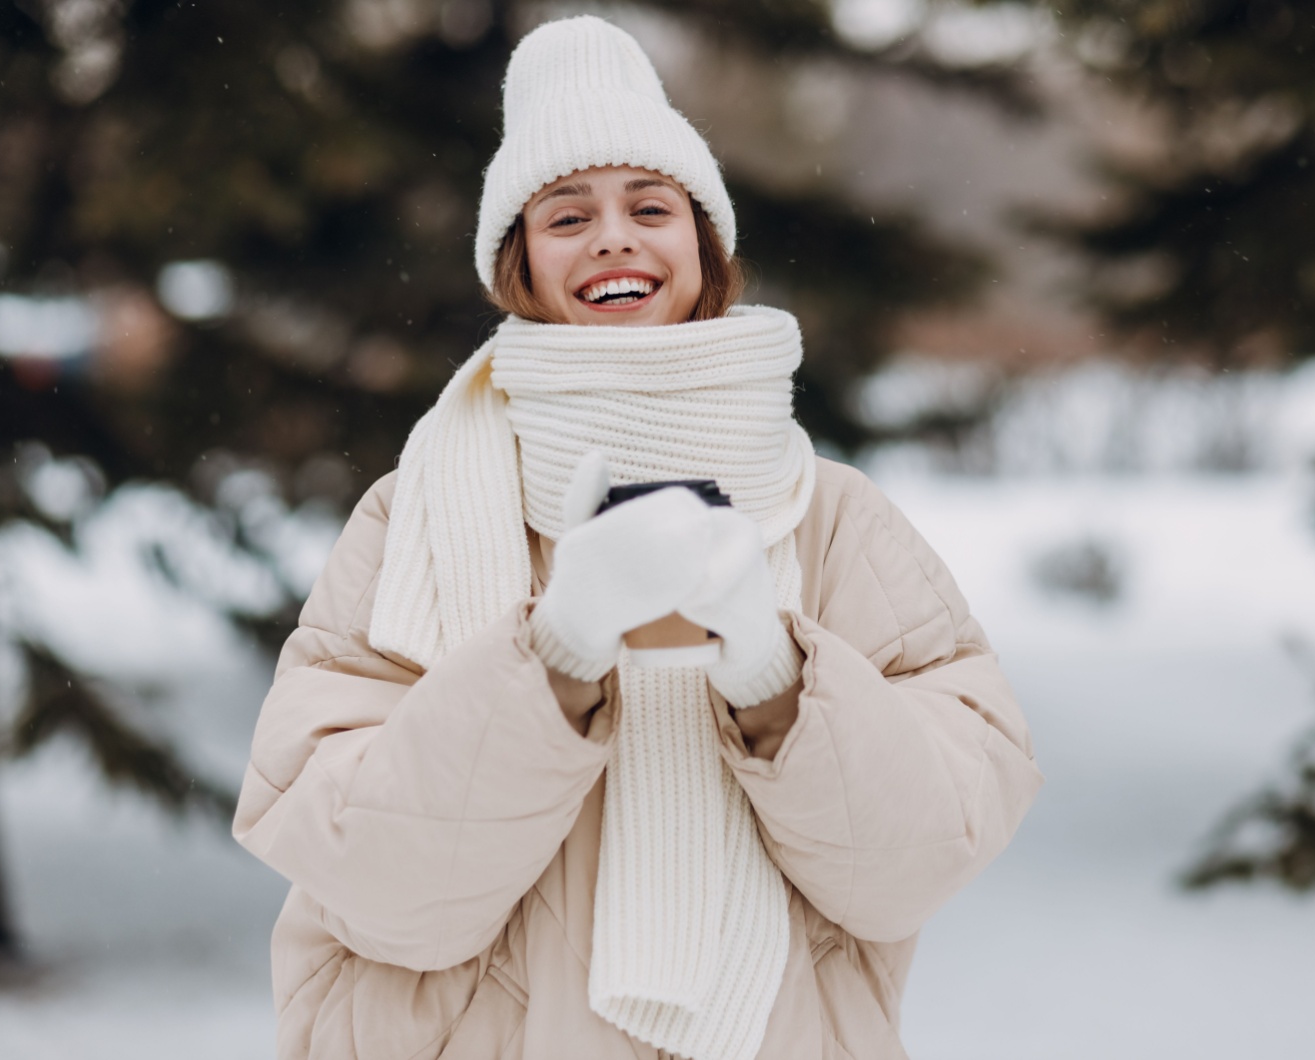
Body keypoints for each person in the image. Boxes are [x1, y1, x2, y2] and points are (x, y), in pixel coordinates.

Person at [232, 15, 1043, 1060]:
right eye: (566, 215)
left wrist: (774, 673)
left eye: (649, 206)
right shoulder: (417, 514)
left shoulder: (833, 518)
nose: (613, 236)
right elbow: (382, 888)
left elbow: (916, 860)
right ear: (517, 266)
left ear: (702, 251)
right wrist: (555, 655)